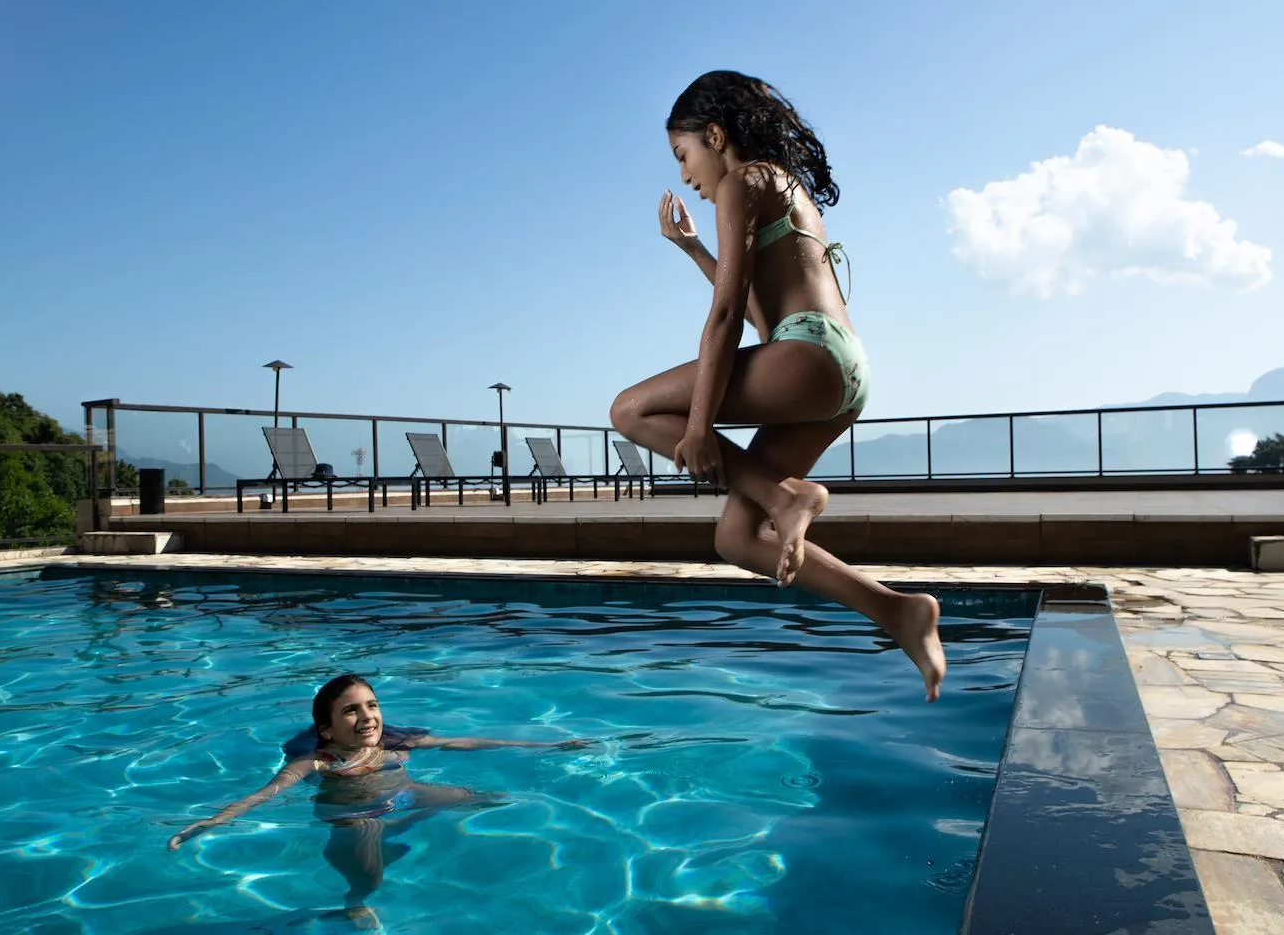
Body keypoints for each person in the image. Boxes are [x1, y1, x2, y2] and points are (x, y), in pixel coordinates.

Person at [610, 70, 947, 702]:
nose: (685, 176)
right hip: (835, 367)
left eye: (684, 156)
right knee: (736, 538)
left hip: (808, 354)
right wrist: (691, 249)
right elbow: (766, 316)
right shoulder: (782, 186)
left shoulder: (745, 178)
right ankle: (898, 612)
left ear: (715, 135)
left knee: (629, 410)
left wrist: (700, 425)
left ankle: (786, 497)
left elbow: (727, 317)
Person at [168, 674, 586, 913]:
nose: (367, 716)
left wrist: (541, 747)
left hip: (406, 795)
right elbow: (265, 794)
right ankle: (355, 900)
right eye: (351, 710)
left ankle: (400, 829)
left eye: (371, 705)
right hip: (356, 815)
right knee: (370, 875)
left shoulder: (394, 745)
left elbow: (461, 741)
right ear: (327, 729)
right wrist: (208, 823)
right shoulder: (319, 761)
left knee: (481, 797)